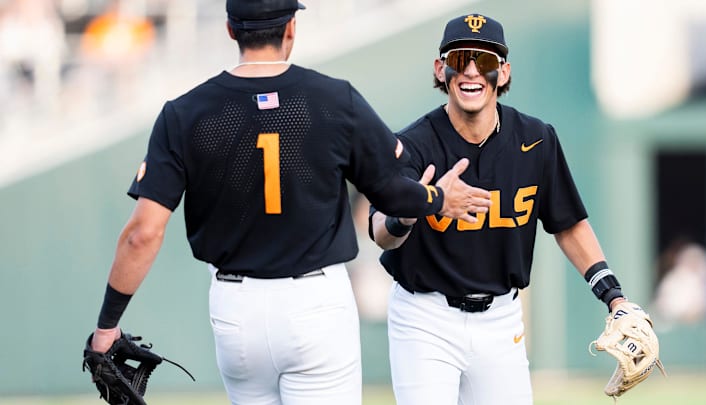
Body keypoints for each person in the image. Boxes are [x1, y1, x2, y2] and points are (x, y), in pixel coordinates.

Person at [86, 1, 493, 405]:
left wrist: (107, 327)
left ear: (230, 29)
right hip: (315, 302)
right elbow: (392, 190)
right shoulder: (335, 100)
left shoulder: (184, 112)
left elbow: (143, 234)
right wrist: (437, 198)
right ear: (291, 29)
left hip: (236, 308)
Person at [370, 13, 643, 405]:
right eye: (460, 57)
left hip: (500, 319)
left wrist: (614, 296)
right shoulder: (413, 144)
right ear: (440, 68)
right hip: (424, 317)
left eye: (484, 61)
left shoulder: (536, 139)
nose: (470, 71)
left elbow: (567, 223)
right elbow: (380, 231)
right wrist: (417, 206)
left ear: (504, 71)